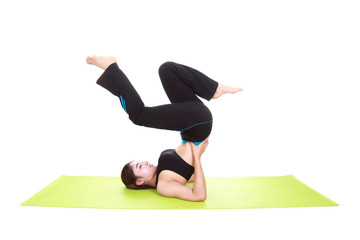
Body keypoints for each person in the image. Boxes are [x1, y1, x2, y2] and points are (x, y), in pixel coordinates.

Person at [86, 56, 242, 201]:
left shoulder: (164, 172)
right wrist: (196, 156)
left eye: (141, 163)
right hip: (198, 123)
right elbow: (198, 195)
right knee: (138, 115)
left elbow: (190, 175)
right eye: (140, 166)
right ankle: (111, 67)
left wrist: (194, 157)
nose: (145, 162)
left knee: (167, 70)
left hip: (193, 122)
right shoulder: (163, 186)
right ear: (140, 181)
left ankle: (214, 89)